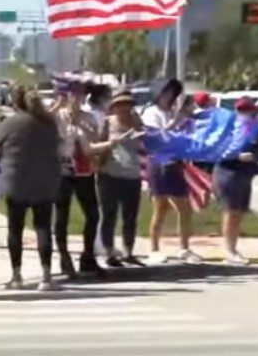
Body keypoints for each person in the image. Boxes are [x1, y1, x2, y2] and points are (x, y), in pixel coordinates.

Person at [51, 81, 127, 277]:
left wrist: (106, 143)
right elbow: (40, 126)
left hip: (83, 171)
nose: (78, 99)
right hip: (62, 171)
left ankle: (88, 257)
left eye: (81, 95)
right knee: (62, 216)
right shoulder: (57, 116)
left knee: (92, 214)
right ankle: (64, 257)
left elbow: (90, 146)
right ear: (66, 96)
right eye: (74, 95)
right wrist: (57, 109)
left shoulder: (89, 118)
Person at [0, 86, 61, 291]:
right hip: (45, 181)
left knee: (15, 229)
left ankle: (16, 276)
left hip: (16, 181)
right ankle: (46, 278)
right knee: (43, 228)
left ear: (16, 102)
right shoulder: (49, 122)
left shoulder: (10, 122)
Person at [142, 78, 203, 265]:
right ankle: (154, 249)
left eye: (172, 93)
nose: (169, 96)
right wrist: (175, 120)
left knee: (184, 208)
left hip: (175, 164)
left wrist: (184, 116)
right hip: (159, 164)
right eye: (166, 92)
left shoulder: (174, 113)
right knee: (160, 208)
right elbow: (159, 136)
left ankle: (184, 248)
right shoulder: (151, 113)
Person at [97, 90, 145, 267]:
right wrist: (109, 146)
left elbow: (145, 143)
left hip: (132, 175)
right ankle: (110, 253)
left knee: (130, 216)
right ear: (114, 107)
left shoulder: (137, 123)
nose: (124, 108)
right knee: (109, 215)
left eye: (128, 104)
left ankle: (129, 251)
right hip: (109, 175)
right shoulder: (108, 123)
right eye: (120, 104)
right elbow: (97, 146)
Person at [213, 97, 258, 265]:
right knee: (231, 211)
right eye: (242, 110)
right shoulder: (229, 127)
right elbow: (218, 150)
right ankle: (229, 251)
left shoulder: (253, 127)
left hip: (244, 173)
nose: (245, 114)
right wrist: (238, 156)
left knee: (238, 212)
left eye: (247, 110)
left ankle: (233, 248)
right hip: (227, 171)